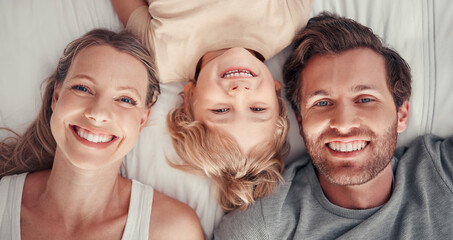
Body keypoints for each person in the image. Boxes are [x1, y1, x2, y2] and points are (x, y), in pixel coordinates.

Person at [214, 12, 453, 239]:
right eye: (323, 102)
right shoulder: (263, 229)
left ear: (401, 115)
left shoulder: (443, 171)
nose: (344, 123)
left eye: (365, 99)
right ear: (300, 122)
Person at [110, 0, 313, 212]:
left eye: (221, 110)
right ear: (275, 92)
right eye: (257, 109)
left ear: (190, 97)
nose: (239, 93)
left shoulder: (160, 55)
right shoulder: (288, 23)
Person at [0, 29, 204, 239]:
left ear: (142, 120)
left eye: (125, 100)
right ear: (56, 98)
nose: (97, 114)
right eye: (82, 88)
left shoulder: (173, 231)